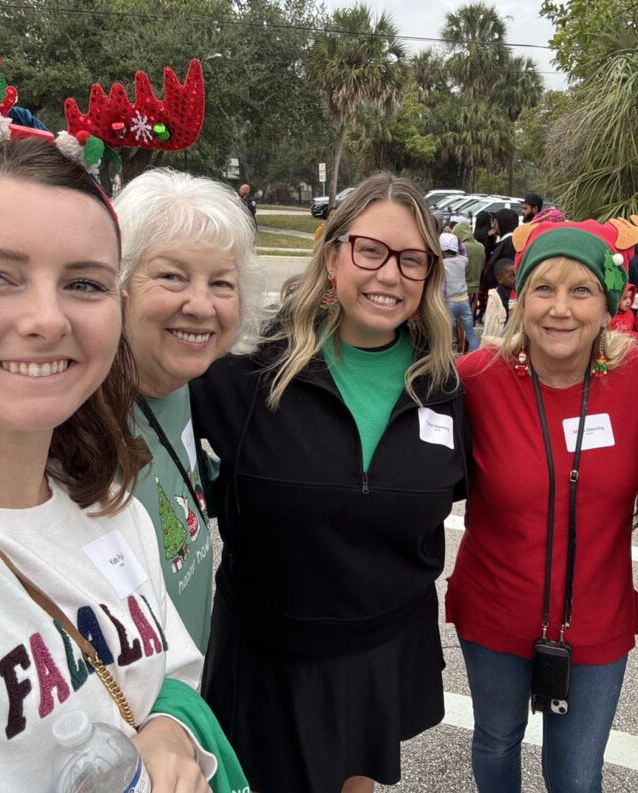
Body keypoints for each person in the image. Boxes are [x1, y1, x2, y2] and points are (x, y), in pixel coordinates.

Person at [0, 135, 228, 791]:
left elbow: (168, 676)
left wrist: (167, 729)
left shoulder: (112, 505)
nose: (48, 318)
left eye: (83, 282)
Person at [191, 172, 467, 793]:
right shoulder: (246, 375)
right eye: (371, 250)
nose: (389, 275)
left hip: (381, 649)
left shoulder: (445, 392)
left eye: (412, 260)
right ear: (334, 254)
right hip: (268, 652)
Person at [448, 222, 638, 793]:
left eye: (581, 291)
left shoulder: (637, 378)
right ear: (521, 301)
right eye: (543, 289)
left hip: (595, 618)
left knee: (576, 774)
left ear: (608, 305)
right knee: (496, 739)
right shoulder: (477, 380)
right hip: (494, 612)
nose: (560, 310)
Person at [113, 168, 259, 652]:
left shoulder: (183, 386)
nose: (201, 305)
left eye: (221, 283)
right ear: (116, 283)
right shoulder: (74, 416)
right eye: (172, 276)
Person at [442, 231, 479, 352]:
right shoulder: (463, 261)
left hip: (450, 303)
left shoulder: (441, 264)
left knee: (449, 335)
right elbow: (463, 252)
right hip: (464, 301)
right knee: (470, 333)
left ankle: (452, 357)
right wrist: (458, 242)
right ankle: (475, 354)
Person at [481, 257, 515, 346]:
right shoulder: (494, 297)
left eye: (516, 275)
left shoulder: (518, 292)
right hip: (500, 339)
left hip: (515, 338)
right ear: (500, 279)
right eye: (512, 276)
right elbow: (490, 322)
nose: (515, 279)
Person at [454, 220, 485, 310]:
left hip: (463, 288)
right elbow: (482, 265)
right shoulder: (481, 246)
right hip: (476, 287)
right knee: (470, 316)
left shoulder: (462, 247)